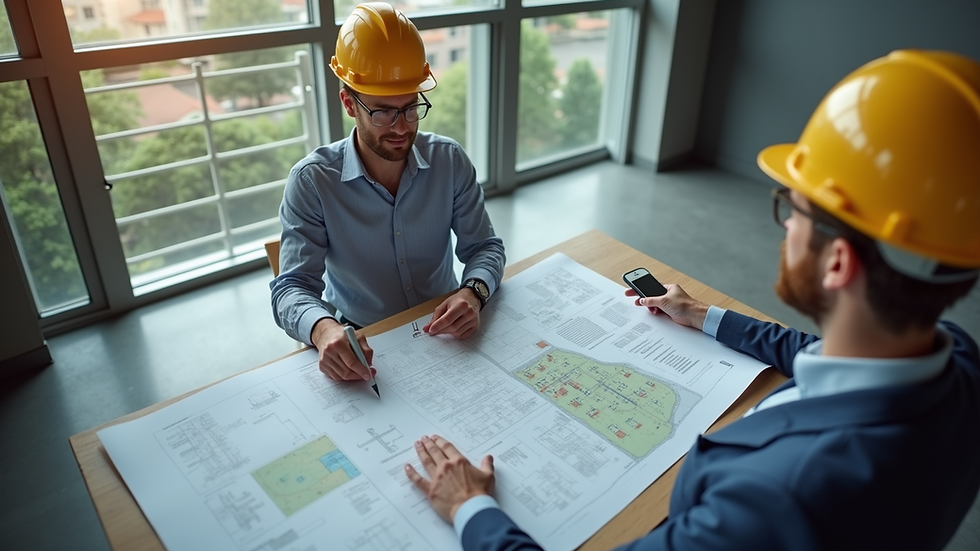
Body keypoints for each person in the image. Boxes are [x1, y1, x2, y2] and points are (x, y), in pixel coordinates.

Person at [404, 49, 980, 550]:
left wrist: (468, 508)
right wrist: (701, 314)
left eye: (793, 209)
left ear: (838, 262)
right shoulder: (956, 359)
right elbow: (817, 351)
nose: (784, 229)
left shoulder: (772, 500)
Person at [270, 2, 505, 383]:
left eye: (410, 107)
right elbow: (291, 288)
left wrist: (473, 292)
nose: (400, 127)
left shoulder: (449, 161)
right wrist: (323, 329)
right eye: (382, 112)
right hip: (365, 342)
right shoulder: (313, 182)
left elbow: (485, 248)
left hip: (445, 331)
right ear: (350, 103)